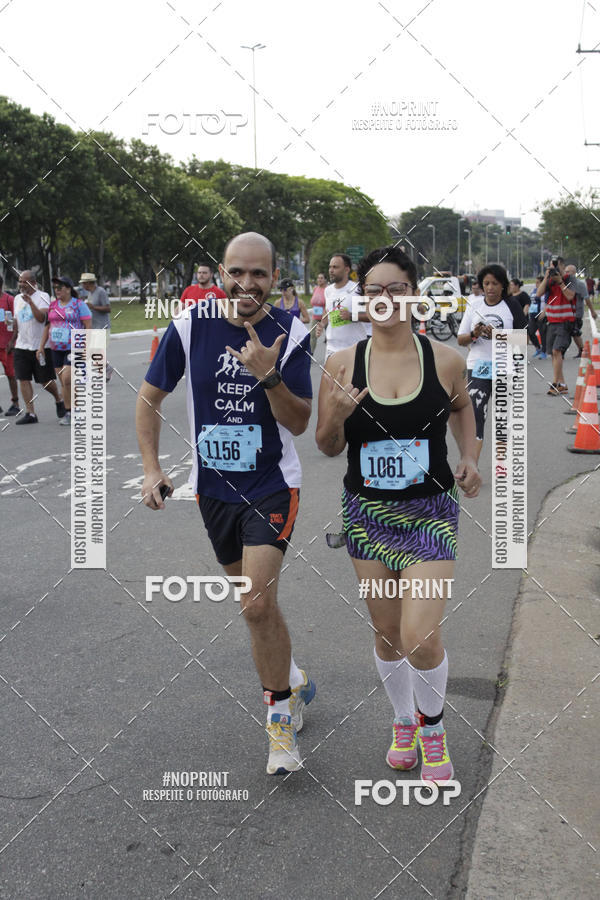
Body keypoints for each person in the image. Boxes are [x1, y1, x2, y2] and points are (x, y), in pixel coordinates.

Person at [136, 232, 316, 776]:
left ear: (274, 275)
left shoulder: (293, 331)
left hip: (271, 485)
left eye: (259, 273)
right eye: (237, 271)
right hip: (213, 490)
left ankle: (279, 725)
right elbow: (150, 397)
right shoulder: (190, 326)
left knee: (257, 605)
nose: (247, 283)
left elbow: (301, 422)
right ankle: (292, 677)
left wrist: (268, 373)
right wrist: (151, 468)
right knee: (253, 606)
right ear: (220, 273)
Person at [316, 245, 480, 785]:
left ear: (414, 295)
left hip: (430, 516)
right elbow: (326, 445)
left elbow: (461, 407)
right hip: (367, 516)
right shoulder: (341, 364)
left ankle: (433, 727)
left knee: (419, 636)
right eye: (374, 291)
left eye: (396, 289)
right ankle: (403, 719)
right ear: (362, 300)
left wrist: (470, 457)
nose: (385, 299)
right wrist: (336, 415)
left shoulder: (445, 359)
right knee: (387, 634)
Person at [457, 264, 527, 461]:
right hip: (478, 367)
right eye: (486, 283)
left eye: (495, 283)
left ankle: (502, 462)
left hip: (505, 368)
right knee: (476, 416)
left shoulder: (511, 305)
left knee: (502, 418)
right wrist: (475, 334)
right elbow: (461, 339)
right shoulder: (474, 306)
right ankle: (473, 463)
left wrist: (497, 335)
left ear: (503, 285)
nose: (490, 288)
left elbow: (525, 339)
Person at [12, 270, 65, 424]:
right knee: (23, 378)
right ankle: (31, 413)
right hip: (22, 345)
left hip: (40, 346)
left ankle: (58, 398)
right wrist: (12, 333)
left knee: (45, 381)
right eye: (20, 281)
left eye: (25, 282)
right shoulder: (16, 299)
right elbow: (17, 321)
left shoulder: (43, 296)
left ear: (33, 283)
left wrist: (30, 302)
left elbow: (42, 318)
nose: (21, 284)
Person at [38, 276, 92, 426]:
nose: (57, 290)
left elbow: (88, 325)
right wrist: (41, 346)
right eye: (55, 288)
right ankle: (71, 411)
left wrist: (86, 347)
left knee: (67, 379)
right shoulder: (53, 305)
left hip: (74, 346)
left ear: (68, 289)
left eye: (60, 287)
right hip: (56, 348)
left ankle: (75, 410)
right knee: (64, 382)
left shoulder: (78, 305)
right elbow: (47, 326)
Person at [316, 253, 368, 359]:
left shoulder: (357, 290)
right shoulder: (328, 290)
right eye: (330, 267)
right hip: (332, 348)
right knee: (329, 376)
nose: (331, 270)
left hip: (354, 347)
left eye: (335, 267)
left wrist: (351, 316)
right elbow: (327, 311)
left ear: (347, 269)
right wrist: (322, 324)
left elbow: (371, 315)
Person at [536, 257, 576, 395]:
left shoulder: (569, 279)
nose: (554, 269)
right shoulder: (549, 281)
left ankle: (555, 383)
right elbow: (539, 293)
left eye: (556, 266)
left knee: (556, 351)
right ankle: (562, 384)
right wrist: (547, 277)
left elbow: (570, 296)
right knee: (553, 354)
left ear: (562, 265)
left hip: (565, 322)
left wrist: (560, 282)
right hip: (552, 321)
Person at [80, 273, 114, 381]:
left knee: (96, 351)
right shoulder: (90, 293)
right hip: (93, 326)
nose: (82, 285)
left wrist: (93, 307)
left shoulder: (101, 292)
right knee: (93, 351)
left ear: (89, 283)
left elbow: (108, 308)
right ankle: (106, 369)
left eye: (83, 283)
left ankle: (105, 370)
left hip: (102, 326)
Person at [564, 265, 597, 358]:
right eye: (565, 272)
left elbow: (587, 299)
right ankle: (580, 350)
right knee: (570, 333)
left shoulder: (580, 284)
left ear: (574, 273)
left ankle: (582, 350)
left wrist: (593, 311)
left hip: (576, 313)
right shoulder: (564, 284)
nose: (566, 274)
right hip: (566, 313)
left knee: (575, 332)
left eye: (568, 272)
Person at [0, 275, 20, 416]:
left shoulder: (9, 300)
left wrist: (13, 341)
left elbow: (16, 322)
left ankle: (15, 403)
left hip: (7, 344)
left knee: (10, 374)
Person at [528, 276, 547, 359]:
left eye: (538, 282)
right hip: (533, 314)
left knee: (543, 334)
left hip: (541, 315)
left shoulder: (545, 291)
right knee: (530, 332)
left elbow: (548, 302)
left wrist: (544, 312)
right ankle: (538, 348)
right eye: (535, 282)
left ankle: (544, 352)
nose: (536, 284)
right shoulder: (533, 291)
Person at [309, 273, 327, 356]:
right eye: (318, 278)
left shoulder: (327, 290)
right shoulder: (315, 288)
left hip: (326, 317)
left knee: (331, 336)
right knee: (312, 335)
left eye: (321, 278)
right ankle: (310, 354)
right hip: (315, 316)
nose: (319, 280)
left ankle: (332, 354)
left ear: (325, 280)